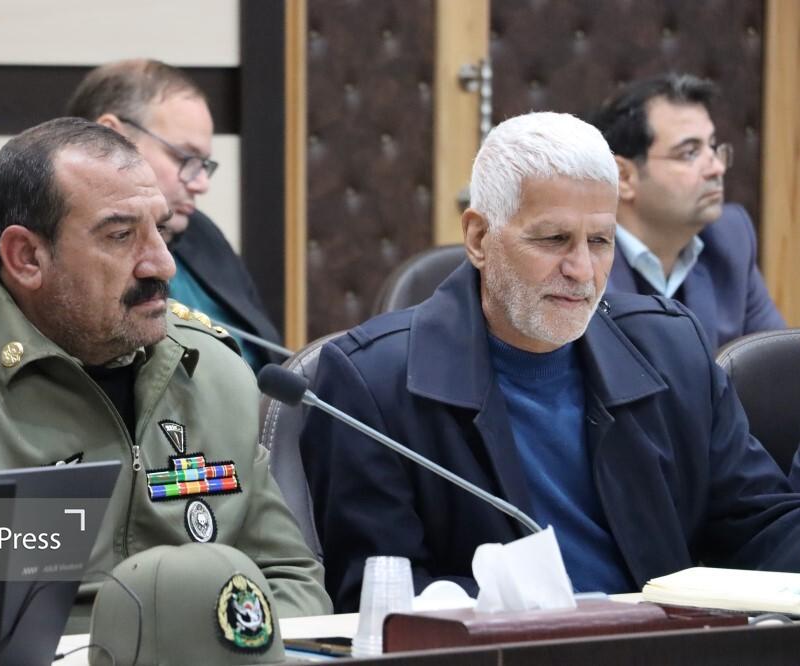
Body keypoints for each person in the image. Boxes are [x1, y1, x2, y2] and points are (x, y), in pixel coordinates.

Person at [0, 117, 331, 619]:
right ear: (27, 258)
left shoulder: (213, 370)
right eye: (120, 235)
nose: (161, 264)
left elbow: (289, 579)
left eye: (161, 230)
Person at [298, 111, 800, 613]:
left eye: (599, 241)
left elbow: (760, 526)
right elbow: (379, 591)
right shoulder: (370, 385)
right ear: (478, 238)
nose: (582, 270)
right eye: (554, 239)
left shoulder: (672, 349)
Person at [67, 59, 282, 372]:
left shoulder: (199, 231)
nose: (201, 184)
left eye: (204, 164)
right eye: (185, 158)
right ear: (109, 138)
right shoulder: (69, 256)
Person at [591, 72, 785, 349]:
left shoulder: (731, 239)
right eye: (690, 153)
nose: (717, 168)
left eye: (713, 147)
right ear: (624, 176)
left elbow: (776, 363)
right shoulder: (582, 261)